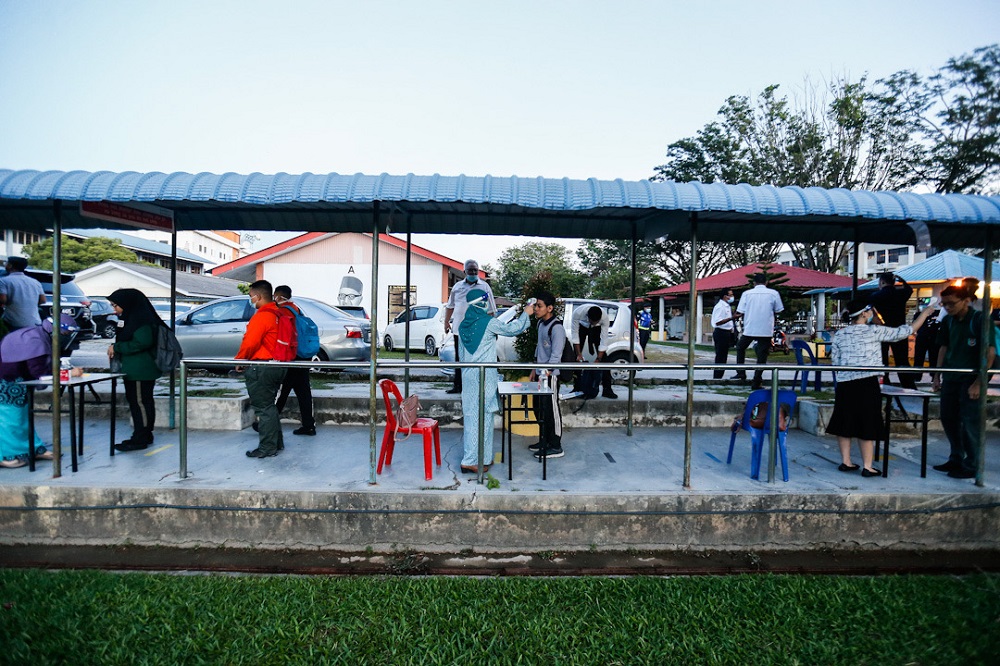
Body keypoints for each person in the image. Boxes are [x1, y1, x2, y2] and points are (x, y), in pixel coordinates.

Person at [828, 298, 935, 478]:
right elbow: (906, 331)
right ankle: (867, 466)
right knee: (867, 422)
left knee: (844, 421)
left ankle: (846, 461)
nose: (873, 314)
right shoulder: (874, 331)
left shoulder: (840, 334)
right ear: (864, 313)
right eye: (870, 311)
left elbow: (835, 361)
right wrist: (924, 314)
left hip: (845, 382)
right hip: (868, 382)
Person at [458, 289, 530, 473]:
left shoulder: (463, 325)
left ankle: (480, 458)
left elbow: (461, 355)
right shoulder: (488, 323)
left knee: (473, 417)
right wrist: (525, 314)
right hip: (484, 376)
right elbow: (513, 329)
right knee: (484, 416)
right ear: (482, 303)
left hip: (468, 376)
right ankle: (472, 460)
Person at [931, 283, 996, 480]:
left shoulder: (979, 320)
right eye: (944, 304)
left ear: (965, 301)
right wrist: (937, 375)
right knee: (949, 417)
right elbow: (943, 347)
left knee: (970, 421)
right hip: (951, 376)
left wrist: (979, 381)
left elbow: (990, 351)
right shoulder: (948, 321)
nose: (948, 308)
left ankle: (972, 463)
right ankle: (956, 456)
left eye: (951, 304)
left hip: (970, 378)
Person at [107, 288, 163, 452]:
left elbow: (142, 342)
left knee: (140, 403)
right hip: (134, 368)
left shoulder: (140, 321)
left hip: (140, 369)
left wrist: (117, 347)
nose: (114, 309)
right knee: (141, 402)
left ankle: (141, 436)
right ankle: (144, 433)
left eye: (116, 305)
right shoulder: (130, 319)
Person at [237, 280, 288, 459]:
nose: (251, 300)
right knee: (270, 407)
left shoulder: (262, 316)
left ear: (258, 296)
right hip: (278, 365)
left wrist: (240, 359)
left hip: (262, 367)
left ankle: (267, 447)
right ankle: (276, 443)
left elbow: (250, 342)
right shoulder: (279, 313)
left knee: (264, 409)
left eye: (251, 296)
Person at [0, 321, 55, 467]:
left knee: (23, 418)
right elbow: (38, 371)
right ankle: (6, 456)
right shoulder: (34, 340)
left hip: (18, 381)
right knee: (9, 420)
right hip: (7, 382)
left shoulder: (36, 334)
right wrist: (64, 373)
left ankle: (33, 449)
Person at [443, 260, 496, 394]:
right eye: (470, 270)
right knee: (459, 359)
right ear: (464, 271)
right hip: (459, 331)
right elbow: (450, 306)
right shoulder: (457, 287)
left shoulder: (484, 287)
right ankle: (458, 386)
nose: (473, 273)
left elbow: (491, 310)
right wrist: (446, 322)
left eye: (475, 270)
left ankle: (474, 387)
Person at [273, 285, 315, 436]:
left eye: (274, 296)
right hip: (303, 355)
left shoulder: (282, 312)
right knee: (303, 391)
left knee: (283, 390)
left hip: (292, 355)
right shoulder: (296, 308)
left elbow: (283, 336)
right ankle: (308, 425)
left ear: (278, 297)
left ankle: (268, 422)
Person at [529, 291, 566, 459]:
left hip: (550, 376)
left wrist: (547, 374)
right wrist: (534, 370)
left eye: (539, 306)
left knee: (551, 410)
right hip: (539, 374)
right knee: (538, 408)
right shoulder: (540, 325)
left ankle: (556, 445)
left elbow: (556, 356)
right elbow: (539, 349)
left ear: (549, 308)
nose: (536, 308)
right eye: (536, 306)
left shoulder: (556, 328)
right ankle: (544, 439)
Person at [734, 274, 784, 390]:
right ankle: (756, 380)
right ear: (766, 282)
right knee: (762, 356)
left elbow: (740, 310)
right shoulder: (773, 293)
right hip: (765, 329)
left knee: (740, 347)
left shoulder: (746, 294)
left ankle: (741, 372)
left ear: (754, 283)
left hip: (750, 327)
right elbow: (779, 310)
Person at [868, 272, 916, 388]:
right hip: (899, 329)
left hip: (882, 330)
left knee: (882, 359)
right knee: (902, 360)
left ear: (882, 282)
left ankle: (885, 382)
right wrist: (901, 279)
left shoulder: (876, 295)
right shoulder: (900, 294)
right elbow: (909, 289)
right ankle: (908, 385)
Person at [569, 304, 617, 399]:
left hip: (597, 331)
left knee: (605, 360)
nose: (593, 323)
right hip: (581, 327)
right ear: (588, 317)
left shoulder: (604, 318)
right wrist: (579, 354)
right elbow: (575, 336)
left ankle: (607, 389)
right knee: (576, 359)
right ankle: (577, 387)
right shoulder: (578, 313)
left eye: (596, 321)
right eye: (592, 321)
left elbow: (604, 341)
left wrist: (599, 358)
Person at [0, 256, 45, 331]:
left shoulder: (4, 281)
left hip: (13, 323)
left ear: (10, 265)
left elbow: (2, 300)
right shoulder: (35, 282)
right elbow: (43, 300)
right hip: (34, 323)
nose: (5, 264)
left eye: (6, 263)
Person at [710, 289, 740, 380]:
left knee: (724, 356)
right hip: (721, 332)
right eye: (730, 295)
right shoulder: (720, 306)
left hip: (727, 332)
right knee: (720, 356)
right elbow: (718, 322)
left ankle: (719, 375)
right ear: (724, 296)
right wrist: (732, 318)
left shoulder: (727, 306)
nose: (732, 297)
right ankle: (717, 377)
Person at [913, 303, 942, 382]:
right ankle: (917, 375)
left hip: (933, 338)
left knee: (934, 357)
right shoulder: (918, 314)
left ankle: (933, 376)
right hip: (922, 337)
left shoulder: (939, 314)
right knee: (919, 357)